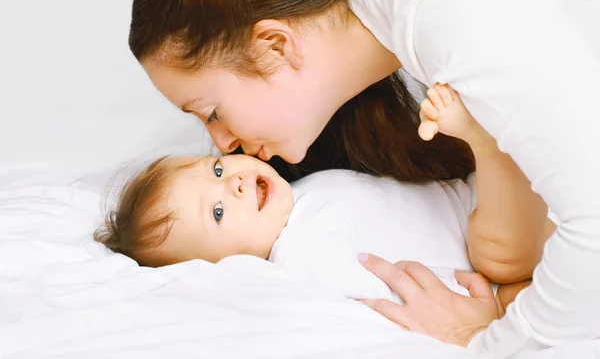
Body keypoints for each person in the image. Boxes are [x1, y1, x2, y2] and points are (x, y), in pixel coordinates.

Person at [127, 0, 600, 356]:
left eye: (211, 112)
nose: (223, 143)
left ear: (275, 46)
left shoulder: (452, 8)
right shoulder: (400, 9)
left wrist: (487, 340)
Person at [96, 86, 553, 326]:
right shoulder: (303, 256)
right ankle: (485, 141)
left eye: (215, 171)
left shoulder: (303, 188)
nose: (232, 183)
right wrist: (487, 313)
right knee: (497, 247)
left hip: (485, 201)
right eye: (216, 213)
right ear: (227, 267)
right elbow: (388, 299)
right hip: (494, 269)